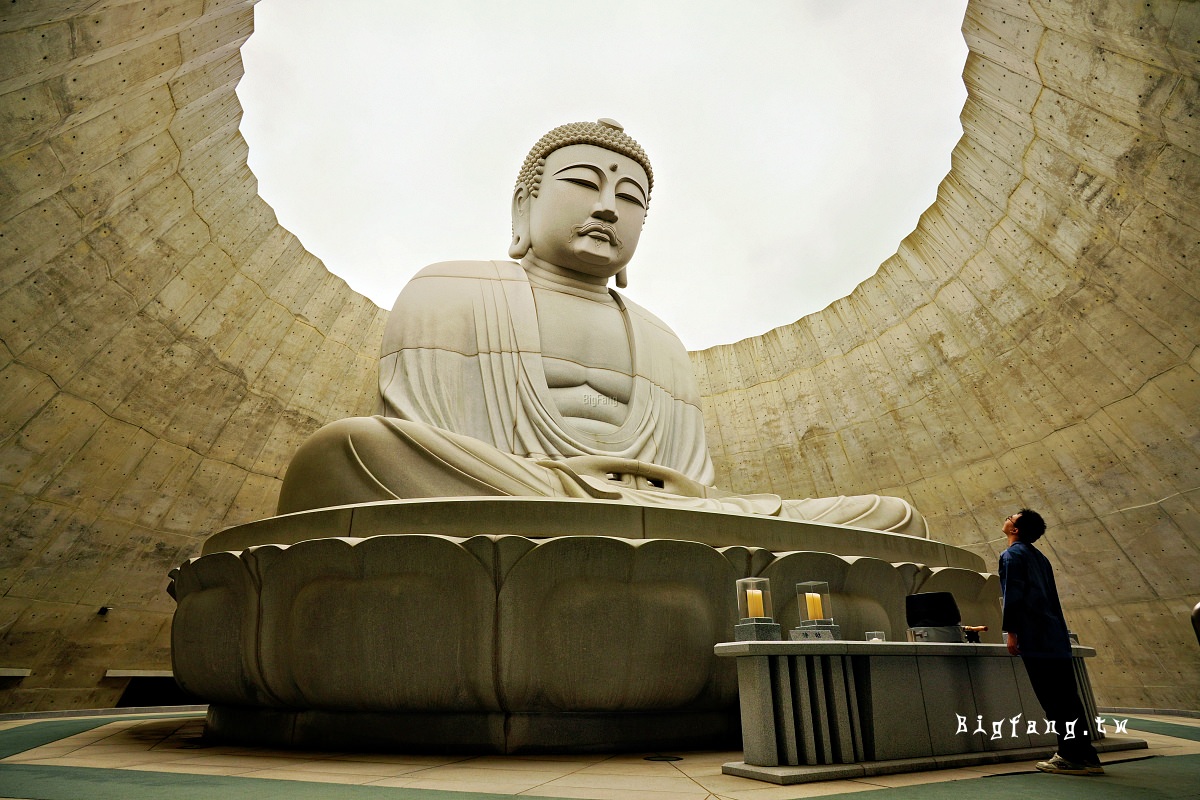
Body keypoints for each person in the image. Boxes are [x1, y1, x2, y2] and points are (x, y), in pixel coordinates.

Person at [275, 119, 926, 536]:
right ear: (524, 205)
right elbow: (427, 435)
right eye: (585, 183)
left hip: (665, 516)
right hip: (512, 497)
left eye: (631, 198)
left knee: (889, 517)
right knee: (349, 451)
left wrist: (649, 507)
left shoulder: (662, 340)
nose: (608, 207)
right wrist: (563, 491)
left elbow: (691, 485)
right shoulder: (449, 288)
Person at [999, 509, 1104, 775]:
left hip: (1034, 637)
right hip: (1055, 637)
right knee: (1068, 699)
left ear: (1015, 530)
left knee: (1053, 702)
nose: (1007, 519)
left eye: (1010, 517)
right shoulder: (1040, 557)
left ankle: (1071, 757)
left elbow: (1013, 596)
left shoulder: (1011, 555)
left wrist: (1012, 632)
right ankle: (1085, 755)